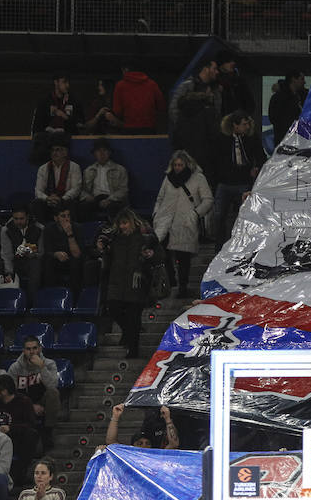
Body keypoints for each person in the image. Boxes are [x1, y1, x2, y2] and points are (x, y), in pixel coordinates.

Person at [93, 209, 162, 357]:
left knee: (134, 317)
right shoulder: (114, 239)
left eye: (125, 223)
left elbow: (159, 257)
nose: (122, 226)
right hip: (116, 282)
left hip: (137, 283)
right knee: (113, 309)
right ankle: (128, 333)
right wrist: (102, 249)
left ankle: (133, 349)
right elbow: (107, 258)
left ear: (132, 222)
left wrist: (151, 255)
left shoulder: (145, 238)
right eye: (120, 223)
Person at [153, 150, 213, 297]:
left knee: (183, 257)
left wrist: (195, 214)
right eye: (175, 165)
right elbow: (160, 197)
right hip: (165, 222)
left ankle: (182, 287)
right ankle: (171, 282)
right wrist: (156, 213)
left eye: (180, 165)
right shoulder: (168, 178)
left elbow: (208, 199)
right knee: (163, 254)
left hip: (185, 222)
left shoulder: (198, 178)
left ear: (187, 164)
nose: (178, 168)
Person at [212, 112, 265, 247]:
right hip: (225, 182)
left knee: (245, 217)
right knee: (219, 217)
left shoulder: (251, 138)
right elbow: (214, 159)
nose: (247, 127)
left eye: (247, 124)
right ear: (235, 125)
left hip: (243, 181)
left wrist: (257, 167)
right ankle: (219, 247)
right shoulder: (221, 139)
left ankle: (242, 246)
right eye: (244, 124)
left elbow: (261, 156)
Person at [169, 60, 222, 167]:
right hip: (188, 143)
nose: (217, 72)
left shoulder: (215, 89)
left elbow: (217, 113)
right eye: (214, 69)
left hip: (208, 145)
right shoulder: (187, 86)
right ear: (206, 69)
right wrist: (186, 128)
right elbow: (173, 109)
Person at [8, 337, 61, 424]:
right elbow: (11, 393)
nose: (32, 352)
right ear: (24, 351)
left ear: (40, 349)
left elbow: (53, 386)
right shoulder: (15, 368)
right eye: (28, 349)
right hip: (23, 402)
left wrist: (42, 367)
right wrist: (30, 406)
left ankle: (49, 429)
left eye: (34, 348)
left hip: (42, 401)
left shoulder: (49, 364)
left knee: (53, 393)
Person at [78, 138, 129, 221]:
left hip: (112, 198)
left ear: (109, 153)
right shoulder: (88, 170)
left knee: (114, 207)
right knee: (83, 207)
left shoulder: (120, 169)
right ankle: (88, 228)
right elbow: (82, 189)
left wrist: (110, 199)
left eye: (104, 150)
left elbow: (123, 190)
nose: (102, 154)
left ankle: (112, 228)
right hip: (95, 198)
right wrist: (87, 197)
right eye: (98, 151)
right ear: (94, 154)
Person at [32, 141, 83, 223]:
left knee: (71, 203)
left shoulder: (74, 167)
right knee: (37, 203)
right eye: (52, 150)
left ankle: (71, 228)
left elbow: (76, 189)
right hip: (49, 201)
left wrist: (62, 199)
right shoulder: (43, 168)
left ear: (65, 152)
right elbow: (38, 190)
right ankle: (42, 229)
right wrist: (47, 198)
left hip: (65, 200)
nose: (54, 153)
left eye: (58, 150)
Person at [111, 63, 165, 134]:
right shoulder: (152, 84)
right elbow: (161, 106)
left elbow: (117, 111)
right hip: (149, 128)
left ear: (125, 70)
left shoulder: (120, 85)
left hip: (129, 128)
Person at [30, 72, 83, 136]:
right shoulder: (45, 101)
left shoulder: (74, 101)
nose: (67, 85)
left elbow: (81, 124)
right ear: (56, 82)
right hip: (48, 139)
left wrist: (66, 117)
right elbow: (36, 126)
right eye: (64, 82)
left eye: (68, 82)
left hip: (68, 139)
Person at [268, 71, 306, 144]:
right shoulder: (279, 98)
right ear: (294, 79)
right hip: (285, 140)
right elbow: (274, 118)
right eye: (302, 79)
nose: (304, 82)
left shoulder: (300, 96)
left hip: (296, 140)